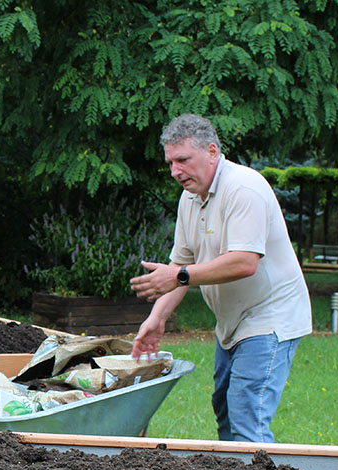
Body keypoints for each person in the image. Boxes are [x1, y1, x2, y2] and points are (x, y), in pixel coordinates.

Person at [129, 114, 311, 443]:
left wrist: (181, 275)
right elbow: (180, 264)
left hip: (269, 317)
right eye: (170, 163)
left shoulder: (244, 188)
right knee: (225, 408)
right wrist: (157, 318)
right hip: (232, 322)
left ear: (212, 152)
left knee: (246, 413)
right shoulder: (190, 199)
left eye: (183, 160)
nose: (175, 171)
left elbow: (244, 262)